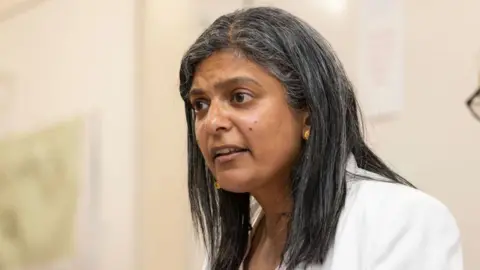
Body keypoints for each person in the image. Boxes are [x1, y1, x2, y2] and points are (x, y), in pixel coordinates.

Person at [178, 7, 463, 270]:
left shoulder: (400, 220)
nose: (212, 122)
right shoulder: (229, 248)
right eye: (200, 105)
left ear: (310, 114)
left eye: (240, 97)